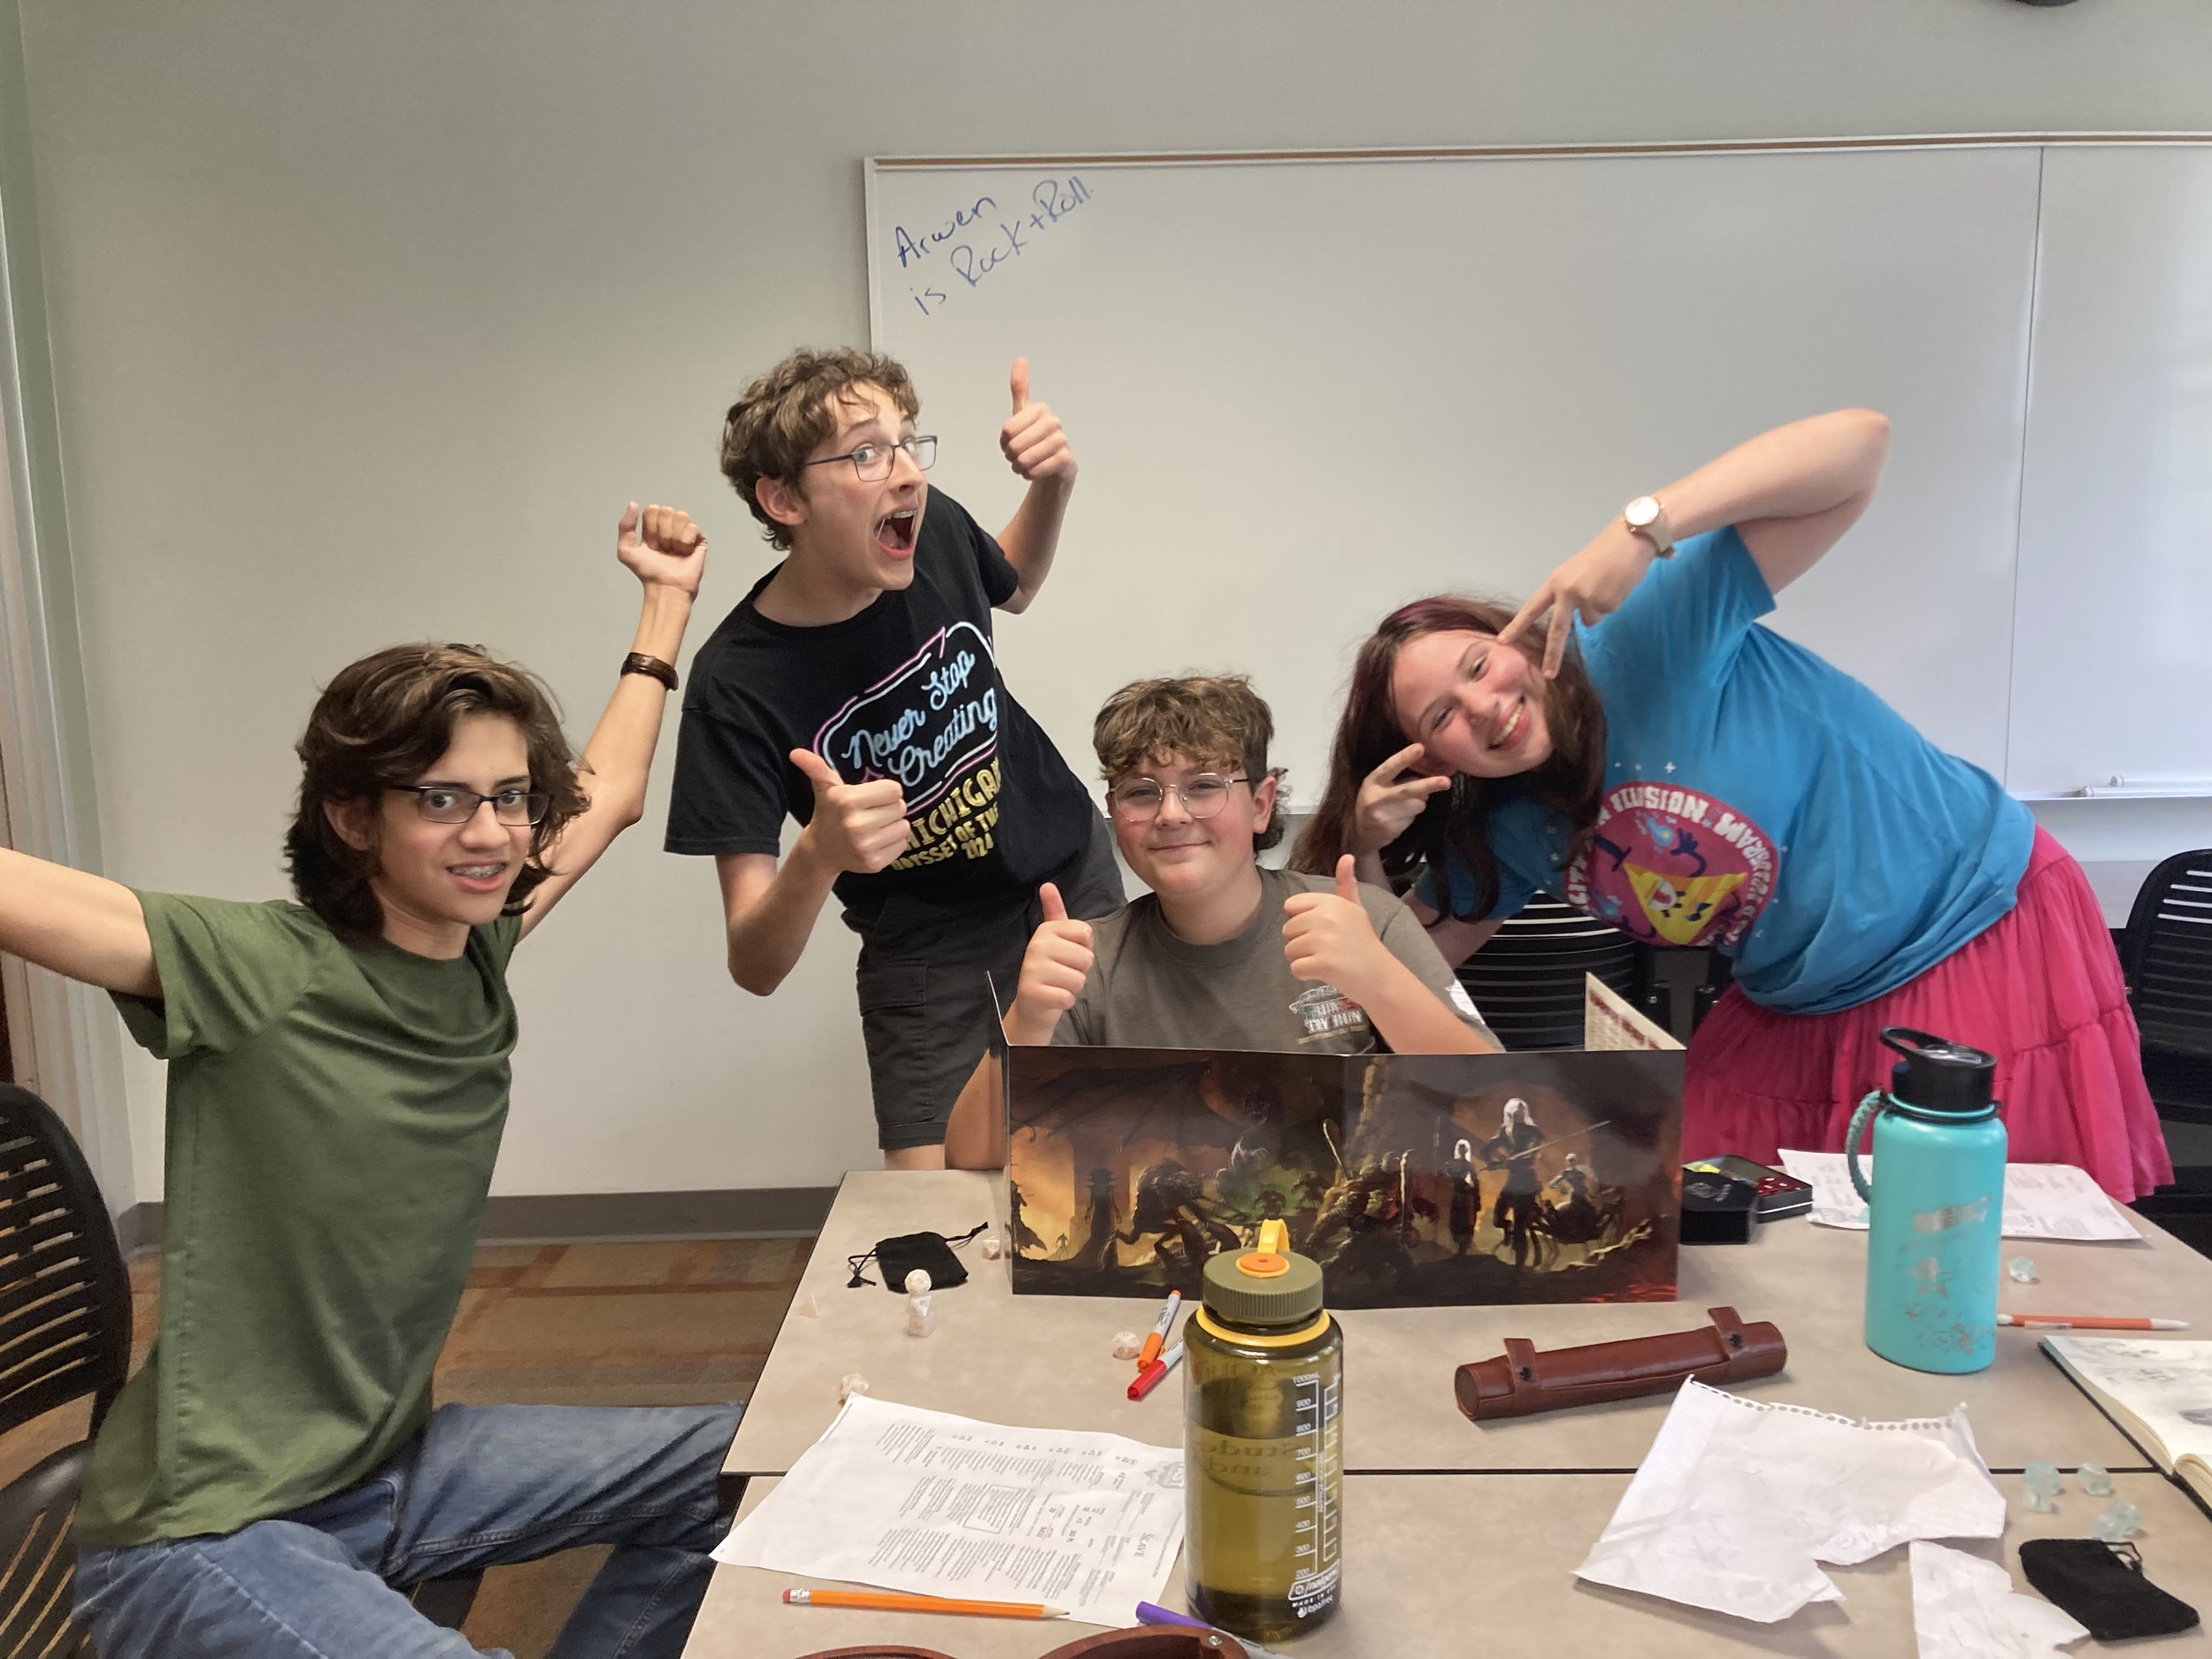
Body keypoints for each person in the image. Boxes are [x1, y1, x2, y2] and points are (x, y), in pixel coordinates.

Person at [27, 508, 735, 1657]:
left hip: (384, 1471)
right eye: (442, 797)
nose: (492, 831)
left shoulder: (477, 944)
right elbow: (48, 904)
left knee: (751, 1465)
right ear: (354, 815)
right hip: (201, 1527)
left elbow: (606, 790)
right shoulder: (257, 964)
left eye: (509, 796)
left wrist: (665, 604)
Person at [1295, 410, 2170, 1201]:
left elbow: (1859, 446)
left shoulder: (1645, 634)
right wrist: (1369, 852)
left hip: (1966, 927)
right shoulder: (1515, 821)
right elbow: (1398, 970)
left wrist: (1639, 528)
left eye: (1479, 665)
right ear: (1428, 756)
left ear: (1521, 637)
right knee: (1693, 1206)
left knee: (1943, 1238)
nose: (1482, 707)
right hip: (1800, 999)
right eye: (1441, 715)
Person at [666, 348, 1120, 1168]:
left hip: (1067, 869)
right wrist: (818, 855)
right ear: (782, 498)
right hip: (928, 949)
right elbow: (753, 964)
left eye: (910, 443)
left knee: (1103, 1147)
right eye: (868, 452)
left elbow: (1012, 582)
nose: (906, 472)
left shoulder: (933, 524)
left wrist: (1052, 484)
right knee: (937, 1200)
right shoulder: (734, 684)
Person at [945, 674, 1495, 1170]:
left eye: (1204, 785)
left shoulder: (1364, 920)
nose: (1173, 814)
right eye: (1141, 793)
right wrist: (1030, 1020)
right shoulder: (1089, 962)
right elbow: (971, 1156)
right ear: (1116, 815)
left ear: (1261, 804)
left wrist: (1379, 980)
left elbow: (1496, 1103)